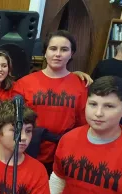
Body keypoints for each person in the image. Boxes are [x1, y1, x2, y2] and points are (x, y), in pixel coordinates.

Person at [13, 30, 88, 173]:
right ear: (45, 52)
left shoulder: (80, 85)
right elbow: (15, 120)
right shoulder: (24, 83)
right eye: (53, 48)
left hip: (64, 152)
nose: (58, 54)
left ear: (72, 54)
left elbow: (83, 123)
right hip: (28, 150)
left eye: (64, 49)